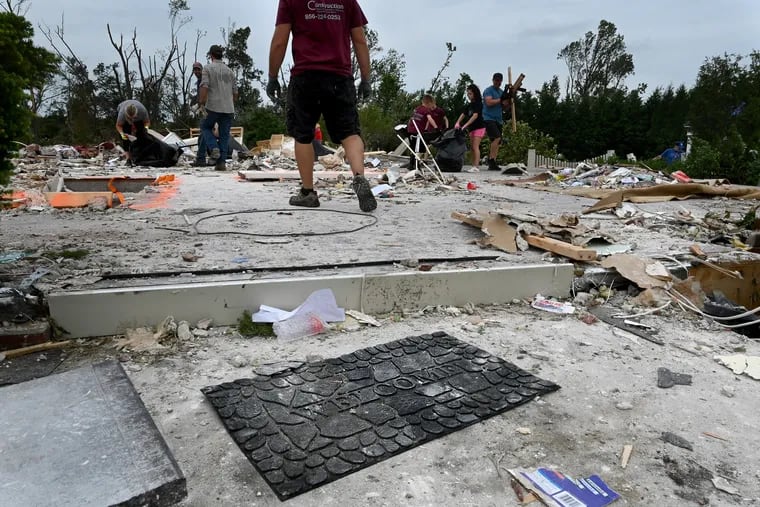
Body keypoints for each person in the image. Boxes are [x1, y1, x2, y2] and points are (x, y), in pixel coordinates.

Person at [267, 0, 377, 212]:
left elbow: (280, 41)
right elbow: (360, 41)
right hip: (340, 78)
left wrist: (273, 75)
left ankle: (308, 192)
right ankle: (359, 178)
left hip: (306, 76)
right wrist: (365, 78)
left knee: (303, 134)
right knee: (350, 133)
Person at [199, 45, 237, 171]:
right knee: (224, 135)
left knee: (205, 126)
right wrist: (231, 104)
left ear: (211, 55)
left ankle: (213, 147)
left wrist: (201, 103)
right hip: (228, 108)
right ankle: (221, 163)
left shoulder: (207, 69)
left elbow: (204, 86)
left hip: (213, 106)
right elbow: (235, 92)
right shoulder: (230, 71)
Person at [454, 84, 486, 169]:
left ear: (475, 93)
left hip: (479, 127)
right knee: (472, 147)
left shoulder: (478, 104)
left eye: (470, 93)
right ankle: (473, 165)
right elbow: (463, 114)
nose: (469, 95)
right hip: (472, 128)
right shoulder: (470, 105)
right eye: (468, 94)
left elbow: (475, 116)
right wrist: (457, 122)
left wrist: (465, 125)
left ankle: (476, 166)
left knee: (475, 146)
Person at [115, 99, 150, 166]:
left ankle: (140, 156)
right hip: (124, 116)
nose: (132, 120)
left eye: (133, 118)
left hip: (139, 118)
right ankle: (128, 159)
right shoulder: (122, 114)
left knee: (141, 134)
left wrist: (146, 128)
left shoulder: (142, 111)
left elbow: (147, 122)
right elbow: (118, 125)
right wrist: (122, 134)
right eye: (130, 118)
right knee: (125, 137)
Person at [482, 72, 505, 171]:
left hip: (498, 119)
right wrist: (501, 100)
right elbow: (489, 102)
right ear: (493, 80)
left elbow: (504, 106)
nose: (498, 83)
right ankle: (491, 160)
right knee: (496, 137)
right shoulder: (488, 90)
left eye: (499, 81)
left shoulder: (501, 92)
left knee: (497, 141)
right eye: (496, 81)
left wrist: (508, 100)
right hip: (488, 118)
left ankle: (493, 161)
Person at [190, 62, 209, 167]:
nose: (196, 72)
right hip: (204, 110)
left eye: (198, 69)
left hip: (209, 110)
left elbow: (205, 95)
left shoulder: (204, 80)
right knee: (204, 134)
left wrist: (198, 105)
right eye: (195, 70)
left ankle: (201, 158)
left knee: (204, 133)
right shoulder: (198, 82)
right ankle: (202, 157)